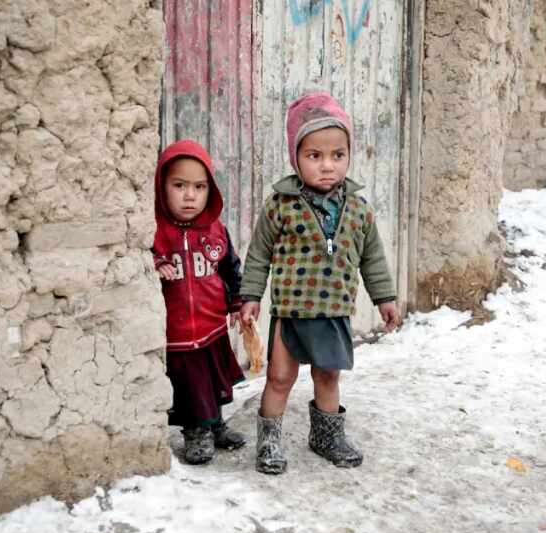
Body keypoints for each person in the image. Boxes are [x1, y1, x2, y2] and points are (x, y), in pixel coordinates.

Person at [239, 91, 401, 475]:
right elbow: (260, 253)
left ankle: (326, 436)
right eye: (314, 156)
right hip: (291, 312)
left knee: (328, 375)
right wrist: (250, 296)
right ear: (296, 157)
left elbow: (372, 258)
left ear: (348, 155)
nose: (327, 166)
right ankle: (269, 440)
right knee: (279, 377)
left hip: (333, 311)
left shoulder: (359, 210)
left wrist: (385, 298)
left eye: (337, 155)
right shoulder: (281, 204)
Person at [152, 139, 247, 465]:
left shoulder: (215, 229)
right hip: (177, 333)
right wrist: (153, 264)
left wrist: (236, 303)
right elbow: (133, 264)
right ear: (162, 187)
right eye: (179, 185)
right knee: (190, 388)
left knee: (212, 380)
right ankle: (196, 432)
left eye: (199, 186)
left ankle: (215, 425)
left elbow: (231, 267)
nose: (190, 195)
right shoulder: (154, 232)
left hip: (211, 326)